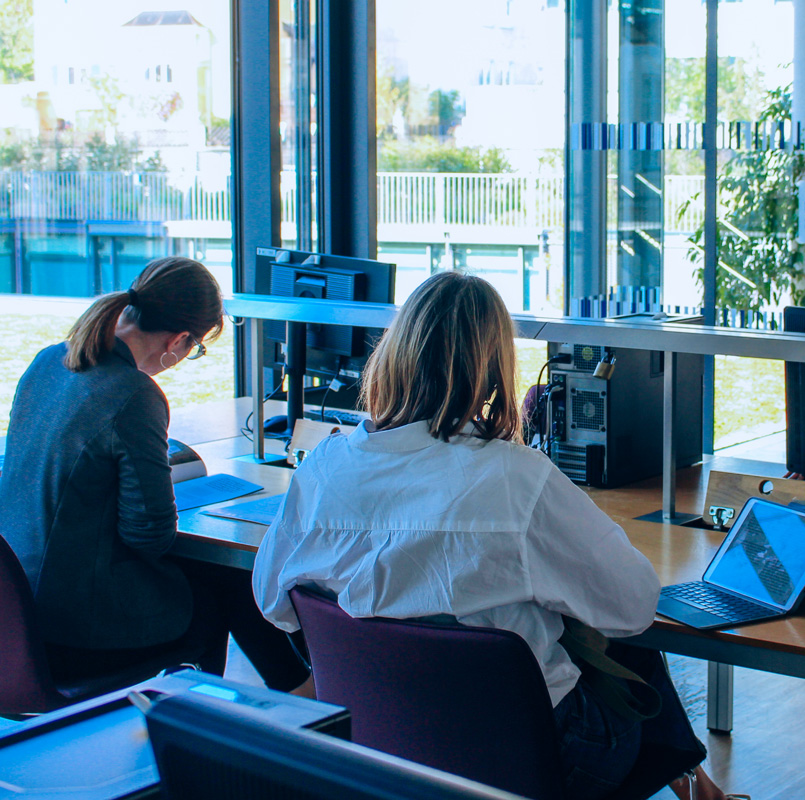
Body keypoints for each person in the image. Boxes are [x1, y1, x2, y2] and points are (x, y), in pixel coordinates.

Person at [253, 271, 738, 800]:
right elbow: (634, 606)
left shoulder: (324, 466)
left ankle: (699, 788)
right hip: (534, 757)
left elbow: (271, 601)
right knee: (620, 651)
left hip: (379, 745)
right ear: (490, 370)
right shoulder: (515, 477)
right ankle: (699, 788)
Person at [0, 256, 310, 693]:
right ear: (180, 339)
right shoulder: (134, 394)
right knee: (235, 580)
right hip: (77, 632)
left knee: (215, 581)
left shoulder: (48, 362)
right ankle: (302, 700)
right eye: (196, 348)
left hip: (18, 622)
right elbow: (150, 535)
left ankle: (295, 701)